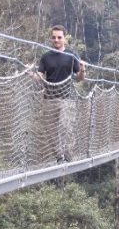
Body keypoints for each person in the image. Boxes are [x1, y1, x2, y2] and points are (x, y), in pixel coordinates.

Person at [34, 25, 85, 163]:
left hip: (66, 98)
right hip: (49, 98)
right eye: (54, 37)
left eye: (59, 37)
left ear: (64, 38)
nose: (56, 40)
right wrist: (30, 74)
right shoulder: (46, 57)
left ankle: (68, 156)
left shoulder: (71, 55)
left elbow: (79, 78)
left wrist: (83, 70)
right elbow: (39, 76)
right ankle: (59, 157)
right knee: (50, 131)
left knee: (65, 127)